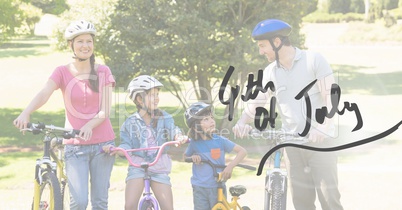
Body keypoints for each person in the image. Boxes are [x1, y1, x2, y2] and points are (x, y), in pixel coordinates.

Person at [232, 19, 344, 210]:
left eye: (262, 46)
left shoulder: (313, 60)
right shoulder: (270, 72)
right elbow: (257, 101)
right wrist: (243, 121)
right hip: (292, 146)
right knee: (301, 203)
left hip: (320, 144)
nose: (260, 51)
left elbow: (331, 98)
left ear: (277, 42)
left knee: (329, 200)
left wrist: (323, 128)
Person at [13, 20, 116, 209]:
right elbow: (44, 93)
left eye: (89, 41)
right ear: (71, 45)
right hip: (75, 147)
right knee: (79, 202)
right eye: (80, 42)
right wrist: (26, 112)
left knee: (100, 202)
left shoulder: (103, 71)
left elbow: (105, 111)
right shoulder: (62, 72)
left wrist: (88, 126)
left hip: (103, 146)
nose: (85, 45)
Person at [103, 75, 187, 210]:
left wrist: (178, 137)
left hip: (159, 165)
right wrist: (118, 149)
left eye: (157, 94)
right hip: (138, 166)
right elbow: (126, 144)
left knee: (168, 207)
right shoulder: (129, 123)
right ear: (139, 99)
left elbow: (173, 130)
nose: (157, 98)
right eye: (152, 95)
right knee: (130, 205)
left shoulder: (164, 117)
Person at [184, 102, 247, 210]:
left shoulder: (220, 141)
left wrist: (230, 167)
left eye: (211, 117)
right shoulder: (194, 143)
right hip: (199, 188)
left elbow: (242, 151)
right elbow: (185, 157)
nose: (212, 121)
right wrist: (192, 158)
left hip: (217, 186)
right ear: (195, 127)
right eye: (206, 119)